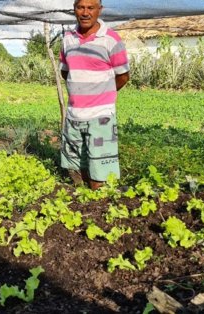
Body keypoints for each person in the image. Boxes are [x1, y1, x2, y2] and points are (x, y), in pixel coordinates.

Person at [59, 0, 130, 190]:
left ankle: (100, 207)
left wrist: (101, 94)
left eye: (90, 8)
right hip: (74, 113)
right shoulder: (68, 38)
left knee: (99, 176)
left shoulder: (111, 39)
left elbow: (123, 76)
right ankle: (82, 206)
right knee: (77, 170)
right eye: (80, 7)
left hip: (100, 116)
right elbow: (65, 71)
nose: (85, 12)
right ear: (74, 10)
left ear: (100, 10)